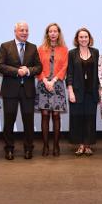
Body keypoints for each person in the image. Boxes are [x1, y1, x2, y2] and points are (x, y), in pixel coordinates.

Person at [0, 22, 42, 160]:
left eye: (26, 30)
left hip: (27, 90)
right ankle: (9, 149)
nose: (24, 32)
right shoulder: (5, 46)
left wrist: (28, 71)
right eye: (21, 30)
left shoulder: (33, 47)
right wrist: (17, 71)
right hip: (10, 90)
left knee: (28, 121)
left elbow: (39, 67)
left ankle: (28, 149)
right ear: (15, 31)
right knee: (9, 121)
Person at [35, 23, 68, 157]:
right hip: (43, 84)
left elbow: (64, 67)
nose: (53, 33)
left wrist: (53, 80)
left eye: (55, 31)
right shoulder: (40, 49)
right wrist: (45, 80)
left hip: (57, 85)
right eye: (50, 31)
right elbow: (37, 66)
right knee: (44, 115)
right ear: (47, 34)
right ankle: (45, 146)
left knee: (56, 115)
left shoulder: (64, 49)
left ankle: (56, 145)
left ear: (58, 33)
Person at [67, 28, 100, 156]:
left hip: (91, 92)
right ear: (77, 39)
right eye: (81, 37)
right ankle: (80, 145)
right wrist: (70, 91)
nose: (83, 39)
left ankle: (87, 145)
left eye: (86, 37)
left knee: (90, 119)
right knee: (77, 119)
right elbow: (69, 73)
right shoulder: (72, 53)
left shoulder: (95, 52)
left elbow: (99, 72)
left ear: (89, 38)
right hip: (77, 92)